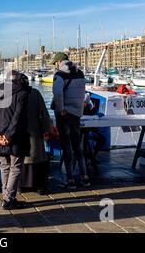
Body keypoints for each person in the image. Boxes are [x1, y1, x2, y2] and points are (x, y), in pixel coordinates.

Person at [0, 70, 29, 209]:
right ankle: (9, 199)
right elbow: (17, 118)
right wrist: (7, 137)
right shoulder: (22, 93)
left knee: (4, 167)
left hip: (0, 139)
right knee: (15, 167)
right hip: (15, 137)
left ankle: (7, 197)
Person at [51, 52, 90, 189]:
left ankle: (70, 180)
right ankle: (85, 178)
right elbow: (83, 93)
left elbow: (57, 93)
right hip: (76, 114)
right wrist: (79, 110)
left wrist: (60, 108)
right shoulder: (80, 73)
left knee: (66, 147)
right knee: (78, 146)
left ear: (59, 62)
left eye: (55, 63)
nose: (55, 65)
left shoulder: (60, 75)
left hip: (64, 114)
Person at [21, 74, 52, 195]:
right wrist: (46, 130)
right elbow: (44, 113)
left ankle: (23, 185)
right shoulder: (35, 93)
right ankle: (39, 186)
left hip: (19, 132)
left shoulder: (12, 94)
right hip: (35, 131)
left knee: (22, 159)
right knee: (37, 158)